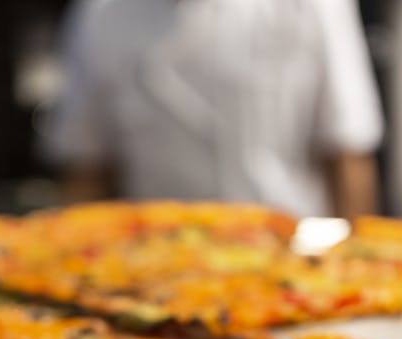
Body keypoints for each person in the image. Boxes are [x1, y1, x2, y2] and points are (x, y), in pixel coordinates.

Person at [43, 0, 384, 219]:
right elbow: (86, 170)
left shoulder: (313, 6)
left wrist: (363, 267)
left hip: (291, 257)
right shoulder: (102, 13)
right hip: (154, 263)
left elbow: (348, 151)